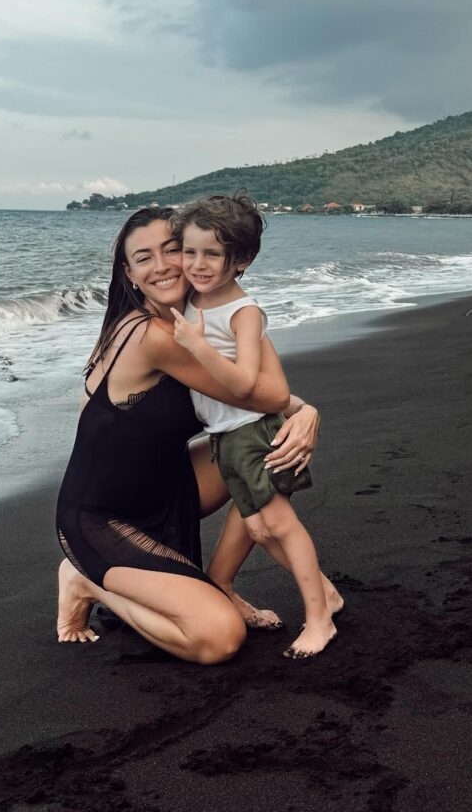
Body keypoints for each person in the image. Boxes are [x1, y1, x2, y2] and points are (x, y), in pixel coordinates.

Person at [56, 205, 330, 665]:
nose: (163, 265)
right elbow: (263, 394)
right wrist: (305, 410)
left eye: (172, 249)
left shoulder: (196, 322)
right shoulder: (156, 336)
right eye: (144, 258)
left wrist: (298, 411)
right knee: (218, 638)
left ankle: (222, 581)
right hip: (105, 519)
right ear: (129, 273)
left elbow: (253, 393)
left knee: (267, 451)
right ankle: (85, 582)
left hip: (164, 488)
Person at [170, 193, 342, 657]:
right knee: (261, 531)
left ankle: (319, 620)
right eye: (190, 252)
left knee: (280, 526)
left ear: (241, 260)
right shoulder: (192, 300)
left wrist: (196, 346)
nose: (198, 264)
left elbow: (246, 383)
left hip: (254, 430)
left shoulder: (243, 311)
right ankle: (326, 596)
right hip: (223, 437)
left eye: (213, 254)